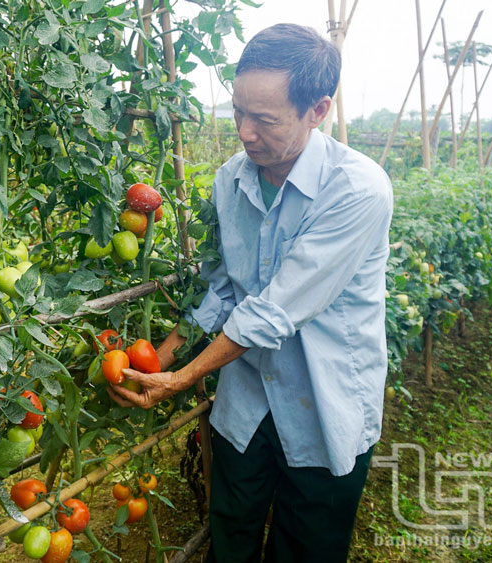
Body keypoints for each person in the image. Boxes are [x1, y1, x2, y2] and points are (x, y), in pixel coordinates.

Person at [109, 23, 394, 563]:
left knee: (306, 548)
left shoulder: (358, 190)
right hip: (246, 407)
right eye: (238, 111)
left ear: (318, 110)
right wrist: (155, 360)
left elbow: (271, 312)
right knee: (231, 538)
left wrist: (183, 377)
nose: (244, 131)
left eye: (264, 119)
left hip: (322, 405)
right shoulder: (230, 180)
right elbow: (223, 288)